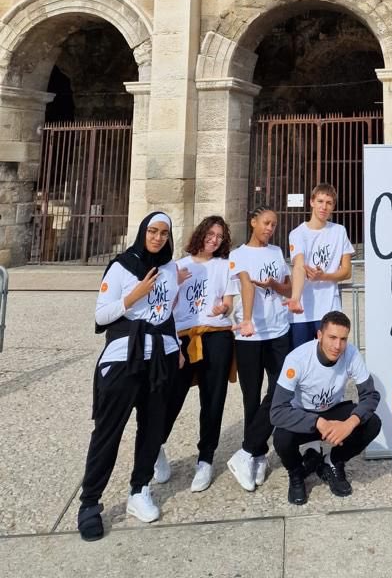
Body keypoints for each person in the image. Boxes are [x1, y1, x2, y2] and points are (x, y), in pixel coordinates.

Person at [77, 212, 187, 541]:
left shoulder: (169, 269)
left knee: (152, 428)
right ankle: (89, 503)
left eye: (163, 233)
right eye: (152, 231)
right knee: (108, 432)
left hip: (162, 357)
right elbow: (101, 315)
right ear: (142, 232)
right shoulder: (121, 266)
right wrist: (134, 295)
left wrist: (178, 345)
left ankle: (139, 490)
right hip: (125, 356)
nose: (157, 238)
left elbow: (167, 314)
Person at [154, 215, 234, 493]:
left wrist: (222, 309)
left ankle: (206, 458)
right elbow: (165, 305)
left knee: (213, 397)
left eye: (219, 237)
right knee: (171, 395)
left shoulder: (224, 266)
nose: (214, 240)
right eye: (211, 234)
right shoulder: (179, 266)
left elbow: (228, 302)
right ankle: (156, 445)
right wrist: (174, 282)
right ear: (201, 233)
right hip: (183, 337)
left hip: (216, 333)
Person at [270, 310, 381, 505]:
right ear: (319, 335)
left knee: (372, 423)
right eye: (332, 337)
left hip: (333, 413)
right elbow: (277, 411)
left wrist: (349, 423)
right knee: (281, 438)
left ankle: (332, 462)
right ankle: (296, 473)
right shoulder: (297, 359)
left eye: (343, 339)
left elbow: (370, 395)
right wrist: (317, 421)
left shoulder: (351, 353)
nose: (338, 346)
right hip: (305, 417)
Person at [226, 204, 294, 491]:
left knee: (280, 388)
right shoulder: (238, 255)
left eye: (274, 225)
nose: (269, 228)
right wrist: (243, 317)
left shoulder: (276, 253)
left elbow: (288, 289)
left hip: (278, 330)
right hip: (249, 335)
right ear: (253, 222)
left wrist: (275, 284)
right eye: (266, 223)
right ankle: (258, 455)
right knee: (251, 395)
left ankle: (247, 450)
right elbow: (244, 287)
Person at [287, 183, 354, 348]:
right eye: (320, 201)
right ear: (311, 202)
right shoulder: (297, 233)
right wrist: (295, 299)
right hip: (302, 311)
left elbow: (347, 271)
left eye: (329, 203)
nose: (324, 207)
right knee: (302, 362)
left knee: (329, 360)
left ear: (333, 206)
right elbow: (299, 265)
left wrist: (323, 276)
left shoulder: (339, 231)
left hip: (329, 308)